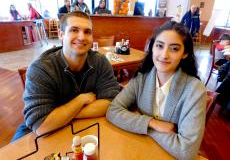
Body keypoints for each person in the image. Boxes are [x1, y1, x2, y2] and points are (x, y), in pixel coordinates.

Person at [12, 11, 120, 141]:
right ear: (61, 34)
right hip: (36, 135)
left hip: (84, 127)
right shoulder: (41, 68)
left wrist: (64, 114)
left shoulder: (100, 61)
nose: (82, 37)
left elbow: (112, 102)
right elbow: (40, 125)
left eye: (87, 32)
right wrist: (81, 100)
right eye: (74, 30)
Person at [106, 21, 206, 160]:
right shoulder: (142, 77)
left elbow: (186, 151)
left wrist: (145, 128)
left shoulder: (195, 90)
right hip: (140, 149)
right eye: (159, 46)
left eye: (174, 49)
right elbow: (113, 111)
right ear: (152, 48)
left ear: (185, 53)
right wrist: (153, 124)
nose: (164, 55)